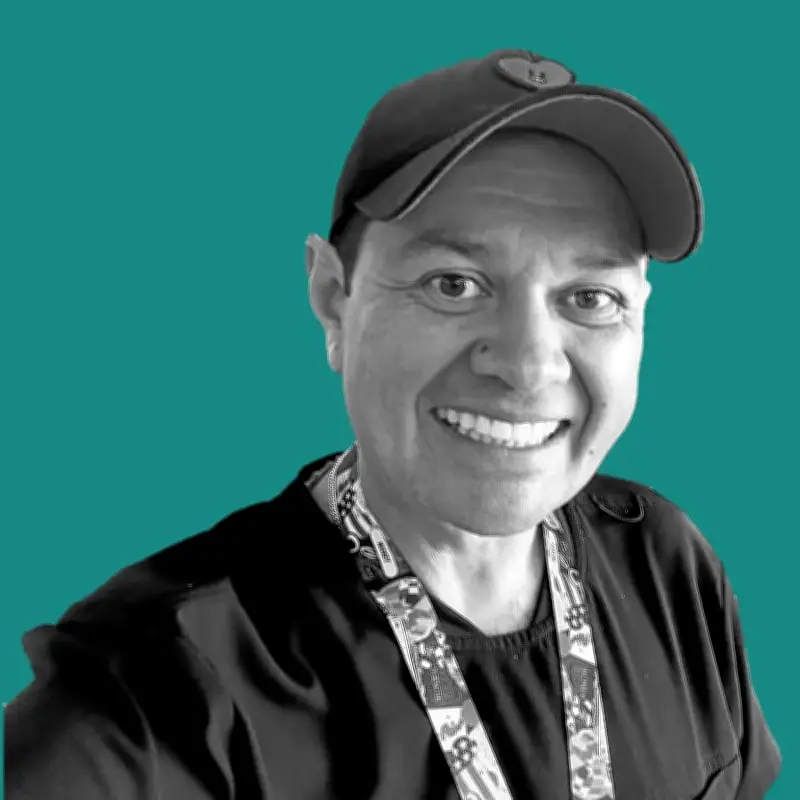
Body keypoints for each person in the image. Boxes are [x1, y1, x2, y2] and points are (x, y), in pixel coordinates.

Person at [4, 48, 781, 800]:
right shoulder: (163, 684)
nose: (527, 365)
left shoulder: (666, 566)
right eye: (454, 284)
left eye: (590, 298)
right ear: (332, 299)